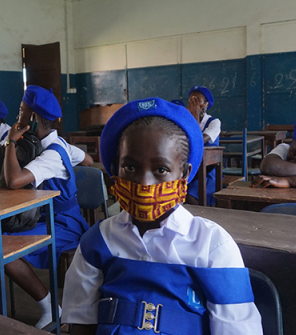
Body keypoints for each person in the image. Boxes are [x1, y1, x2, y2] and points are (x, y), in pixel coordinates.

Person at [62, 97, 262, 334]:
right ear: (116, 168)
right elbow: (81, 324)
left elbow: (237, 329)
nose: (144, 183)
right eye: (130, 168)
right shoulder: (98, 241)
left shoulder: (212, 245)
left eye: (161, 170)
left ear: (184, 173)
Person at [0, 85, 92, 329]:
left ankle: (50, 308)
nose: (18, 117)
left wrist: (9, 143)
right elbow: (87, 159)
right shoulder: (58, 144)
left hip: (61, 223)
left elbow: (14, 180)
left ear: (36, 119)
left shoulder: (51, 154)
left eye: (21, 111)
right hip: (43, 216)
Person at [184, 86, 221, 206]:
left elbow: (199, 141)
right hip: (188, 167)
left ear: (206, 104)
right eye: (191, 100)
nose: (192, 103)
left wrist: (195, 116)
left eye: (197, 100)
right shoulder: (185, 120)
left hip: (208, 170)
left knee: (190, 196)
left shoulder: (214, 122)